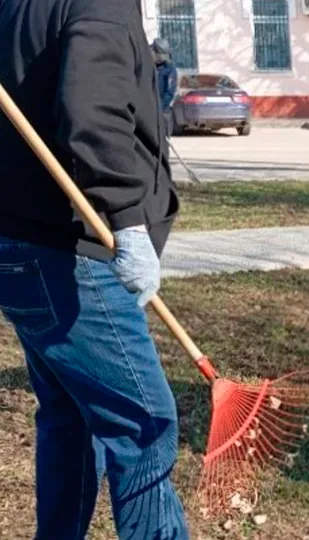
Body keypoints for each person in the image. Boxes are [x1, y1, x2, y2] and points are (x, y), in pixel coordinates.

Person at [0, 0, 187, 538]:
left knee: (68, 415)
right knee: (145, 424)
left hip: (21, 245)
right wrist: (127, 218)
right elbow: (94, 108)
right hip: (71, 252)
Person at [152, 38, 179, 137]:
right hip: (149, 108)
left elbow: (170, 91)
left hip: (162, 110)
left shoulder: (169, 69)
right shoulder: (150, 66)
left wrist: (160, 106)